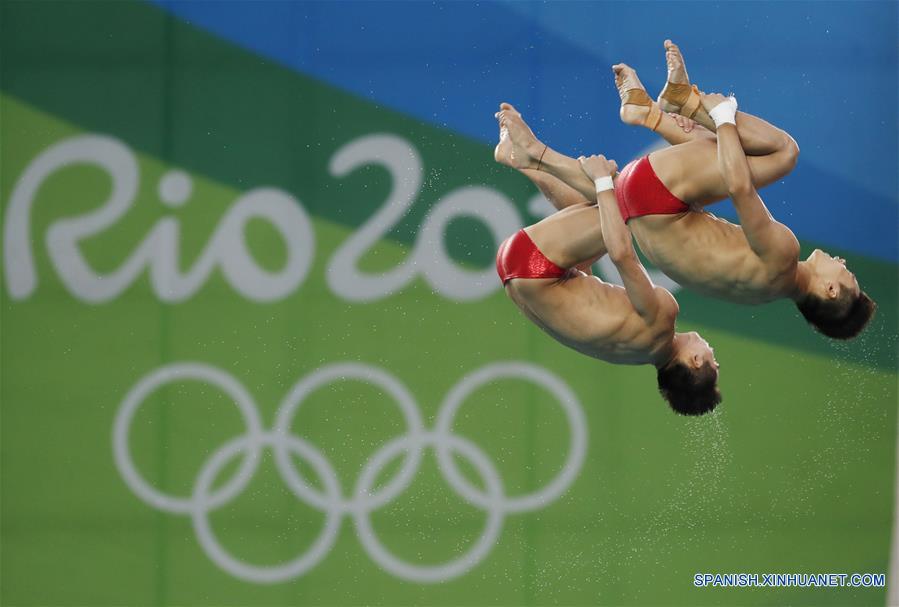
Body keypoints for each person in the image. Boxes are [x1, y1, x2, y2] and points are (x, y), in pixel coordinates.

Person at [494, 40, 875, 339]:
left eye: (846, 276)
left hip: (654, 194)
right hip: (643, 217)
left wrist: (723, 117)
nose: (843, 265)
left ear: (828, 290)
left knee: (781, 154)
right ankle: (625, 121)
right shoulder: (762, 294)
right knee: (726, 162)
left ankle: (676, 105)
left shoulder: (784, 255)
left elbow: (741, 187)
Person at [494, 140, 721, 415]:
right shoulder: (634, 354)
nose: (715, 360)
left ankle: (536, 155)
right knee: (607, 217)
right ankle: (525, 160)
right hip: (515, 276)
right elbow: (578, 300)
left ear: (696, 361)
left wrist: (601, 180)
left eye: (714, 363)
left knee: (631, 201)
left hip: (534, 262)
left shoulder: (663, 318)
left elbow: (622, 255)